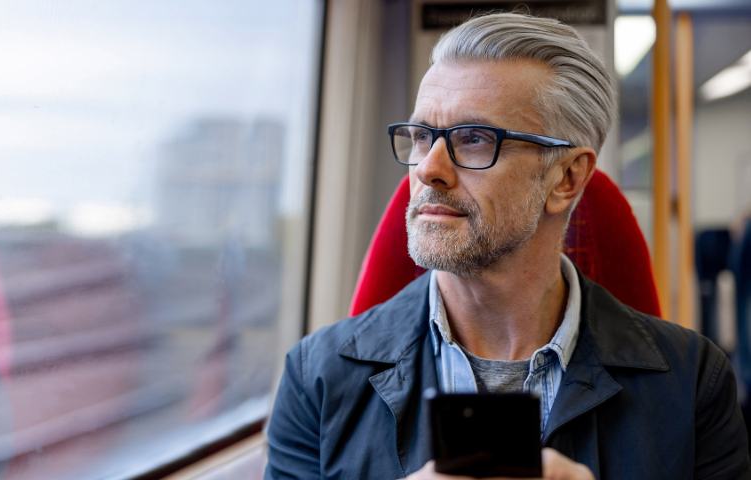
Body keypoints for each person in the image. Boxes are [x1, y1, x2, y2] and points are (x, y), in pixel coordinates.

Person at [265, 12, 751, 479]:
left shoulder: (693, 384)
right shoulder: (318, 379)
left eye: (474, 138)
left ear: (566, 178)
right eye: (420, 136)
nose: (428, 169)